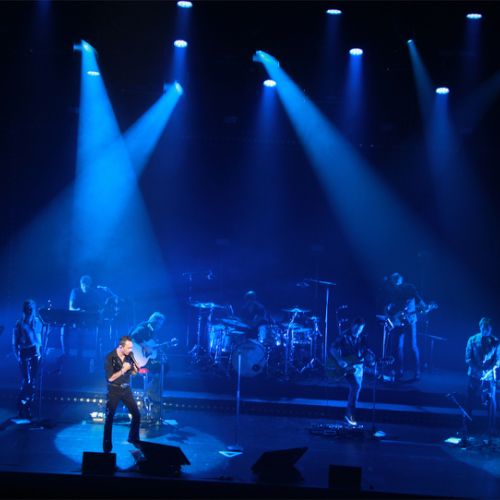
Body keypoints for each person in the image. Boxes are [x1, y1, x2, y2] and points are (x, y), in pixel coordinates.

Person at [61, 275, 114, 372]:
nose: (86, 286)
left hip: (88, 321)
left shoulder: (93, 293)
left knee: (93, 332)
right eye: (84, 284)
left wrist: (101, 310)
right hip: (75, 318)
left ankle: (88, 357)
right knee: (64, 329)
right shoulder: (75, 292)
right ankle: (66, 354)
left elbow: (100, 306)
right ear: (81, 284)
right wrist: (79, 311)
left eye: (88, 284)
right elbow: (71, 307)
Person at [328, 318, 375, 426]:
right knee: (355, 386)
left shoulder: (363, 337)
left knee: (355, 392)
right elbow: (332, 348)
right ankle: (349, 416)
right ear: (352, 325)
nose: (358, 331)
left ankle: (349, 415)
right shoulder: (344, 335)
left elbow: (366, 351)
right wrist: (339, 360)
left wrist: (371, 359)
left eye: (361, 329)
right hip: (347, 367)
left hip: (359, 368)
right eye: (357, 329)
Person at [383, 272, 429, 381]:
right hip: (398, 321)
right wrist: (391, 315)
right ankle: (399, 371)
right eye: (393, 279)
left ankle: (417, 372)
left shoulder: (409, 287)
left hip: (410, 320)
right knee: (398, 347)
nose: (394, 281)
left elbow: (417, 299)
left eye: (396, 279)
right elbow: (390, 305)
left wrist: (424, 306)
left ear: (401, 279)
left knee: (412, 346)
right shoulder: (392, 290)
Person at [103, 336, 141, 453]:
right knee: (110, 417)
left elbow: (133, 372)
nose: (131, 350)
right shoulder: (110, 357)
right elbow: (110, 378)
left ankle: (133, 438)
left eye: (131, 347)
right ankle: (107, 445)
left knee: (137, 414)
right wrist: (123, 370)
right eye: (129, 348)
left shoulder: (130, 355)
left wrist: (135, 369)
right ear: (121, 347)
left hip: (126, 389)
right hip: (114, 389)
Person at [463, 317, 499, 438]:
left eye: (488, 328)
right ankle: (466, 426)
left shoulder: (495, 341)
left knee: (491, 402)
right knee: (469, 400)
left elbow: (498, 360)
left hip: (489, 377)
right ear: (480, 327)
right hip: (474, 375)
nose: (485, 330)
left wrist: (489, 371)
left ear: (491, 329)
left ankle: (491, 428)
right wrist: (478, 370)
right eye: (484, 328)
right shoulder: (472, 339)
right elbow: (468, 358)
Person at [130, 312, 169, 424]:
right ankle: (150, 392)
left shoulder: (152, 333)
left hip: (144, 360)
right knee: (164, 367)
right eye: (159, 324)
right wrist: (146, 346)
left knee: (164, 366)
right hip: (134, 360)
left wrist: (158, 349)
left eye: (161, 325)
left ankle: (150, 390)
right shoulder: (144, 326)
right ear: (154, 321)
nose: (159, 327)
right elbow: (134, 335)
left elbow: (151, 349)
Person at [12, 299, 43, 420]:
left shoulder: (37, 322)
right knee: (27, 381)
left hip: (35, 353)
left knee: (33, 382)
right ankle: (21, 405)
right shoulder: (19, 324)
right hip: (24, 352)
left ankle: (28, 407)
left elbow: (39, 338)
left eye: (31, 308)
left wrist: (40, 352)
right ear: (24, 310)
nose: (29, 311)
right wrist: (17, 356)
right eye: (27, 308)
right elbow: (14, 342)